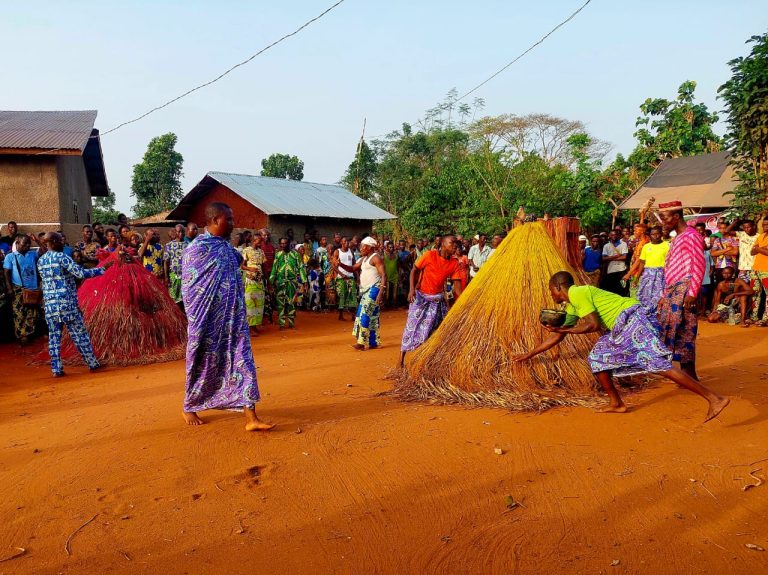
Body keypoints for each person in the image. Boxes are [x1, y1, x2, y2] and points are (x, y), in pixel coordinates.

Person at [511, 271, 728, 421]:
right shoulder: (573, 305)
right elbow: (558, 337)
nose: (551, 295)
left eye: (551, 291)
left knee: (657, 363)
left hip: (633, 318)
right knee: (598, 358)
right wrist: (529, 354)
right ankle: (617, 404)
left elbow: (593, 324)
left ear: (559, 287)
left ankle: (715, 398)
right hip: (620, 326)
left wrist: (564, 330)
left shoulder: (577, 292)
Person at [181, 203, 273, 431]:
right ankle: (189, 405)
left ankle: (251, 417)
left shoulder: (226, 248)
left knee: (243, 360)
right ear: (215, 221)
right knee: (202, 360)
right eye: (228, 219)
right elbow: (189, 288)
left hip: (233, 320)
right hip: (207, 321)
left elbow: (238, 263)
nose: (233, 224)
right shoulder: (196, 249)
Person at [37, 232, 112, 376]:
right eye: (60, 240)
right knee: (79, 333)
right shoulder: (62, 257)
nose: (62, 243)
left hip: (50, 305)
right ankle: (92, 363)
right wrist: (104, 268)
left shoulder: (41, 260)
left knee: (54, 337)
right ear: (52, 241)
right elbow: (81, 273)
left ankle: (56, 369)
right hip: (67, 303)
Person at [657, 201, 706, 381]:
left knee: (686, 331)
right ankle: (685, 374)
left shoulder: (691, 236)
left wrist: (692, 292)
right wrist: (664, 295)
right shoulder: (677, 237)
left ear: (676, 217)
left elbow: (699, 264)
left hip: (685, 289)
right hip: (673, 290)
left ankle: (689, 375)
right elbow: (670, 267)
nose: (662, 222)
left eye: (664, 218)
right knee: (673, 330)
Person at [399, 236, 462, 367]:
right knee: (411, 327)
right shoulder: (429, 255)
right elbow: (414, 270)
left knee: (435, 330)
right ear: (443, 244)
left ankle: (428, 360)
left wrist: (463, 302)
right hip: (421, 297)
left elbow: (457, 287)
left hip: (437, 301)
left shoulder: (454, 263)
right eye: (452, 243)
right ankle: (400, 360)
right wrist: (411, 290)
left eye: (456, 243)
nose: (455, 246)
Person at [3, 235, 40, 345]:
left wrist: (36, 240)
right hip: (18, 288)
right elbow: (6, 273)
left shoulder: (32, 254)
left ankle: (29, 333)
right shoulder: (10, 256)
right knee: (19, 313)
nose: (28, 246)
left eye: (29, 243)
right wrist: (9, 288)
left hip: (32, 288)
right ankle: (22, 335)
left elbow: (45, 251)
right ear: (17, 243)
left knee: (31, 313)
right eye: (25, 243)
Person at [351, 236, 386, 350]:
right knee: (373, 317)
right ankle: (373, 342)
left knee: (364, 314)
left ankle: (361, 342)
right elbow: (353, 268)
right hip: (366, 291)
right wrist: (338, 265)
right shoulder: (364, 259)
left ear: (370, 247)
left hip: (374, 289)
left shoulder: (375, 258)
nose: (361, 248)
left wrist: (381, 292)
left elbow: (384, 275)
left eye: (363, 246)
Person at [269, 237, 307, 329]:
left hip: (292, 282)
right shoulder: (278, 255)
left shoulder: (295, 254)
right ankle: (281, 323)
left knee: (291, 303)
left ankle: (291, 323)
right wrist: (271, 282)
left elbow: (301, 267)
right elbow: (274, 268)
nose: (283, 245)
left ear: (289, 243)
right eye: (281, 243)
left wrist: (304, 281)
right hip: (280, 282)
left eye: (285, 243)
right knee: (280, 303)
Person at [631, 226, 669, 309]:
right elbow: (642, 262)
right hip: (648, 274)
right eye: (652, 234)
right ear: (650, 235)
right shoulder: (646, 246)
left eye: (657, 234)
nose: (655, 236)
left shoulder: (668, 246)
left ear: (661, 234)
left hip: (662, 275)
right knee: (645, 295)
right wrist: (637, 278)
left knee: (659, 296)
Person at [241, 233, 266, 332]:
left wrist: (267, 279)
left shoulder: (261, 252)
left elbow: (264, 266)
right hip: (250, 280)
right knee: (250, 303)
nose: (261, 243)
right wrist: (250, 268)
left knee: (259, 304)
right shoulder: (246, 250)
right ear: (254, 240)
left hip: (259, 281)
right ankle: (251, 327)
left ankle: (255, 325)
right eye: (260, 241)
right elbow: (242, 266)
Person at [333, 237, 358, 321]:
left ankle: (353, 316)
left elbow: (354, 266)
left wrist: (357, 277)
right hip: (341, 278)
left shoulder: (351, 251)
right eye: (345, 241)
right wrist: (341, 274)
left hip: (351, 277)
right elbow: (334, 266)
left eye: (347, 241)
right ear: (341, 243)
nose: (347, 242)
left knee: (353, 295)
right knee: (342, 296)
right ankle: (340, 315)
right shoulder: (337, 252)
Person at [728, 217, 759, 285]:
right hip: (743, 268)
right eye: (744, 227)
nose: (746, 229)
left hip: (754, 267)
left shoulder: (759, 236)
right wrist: (735, 222)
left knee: (754, 288)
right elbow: (727, 231)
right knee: (741, 287)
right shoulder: (741, 234)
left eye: (748, 227)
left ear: (753, 227)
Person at [749, 216, 768, 326]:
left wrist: (759, 249)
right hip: (755, 268)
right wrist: (763, 248)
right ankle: (754, 317)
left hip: (766, 270)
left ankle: (766, 319)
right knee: (755, 293)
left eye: (767, 224)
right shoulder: (761, 236)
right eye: (764, 224)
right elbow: (752, 252)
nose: (765, 226)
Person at [163, 228, 186, 308]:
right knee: (173, 298)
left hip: (186, 276)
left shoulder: (188, 245)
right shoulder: (169, 245)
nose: (181, 233)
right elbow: (166, 262)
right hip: (173, 275)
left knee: (185, 299)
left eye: (183, 231)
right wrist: (166, 277)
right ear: (175, 232)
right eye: (179, 231)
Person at [601, 230, 628, 295]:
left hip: (621, 269)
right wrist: (617, 256)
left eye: (615, 234)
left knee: (621, 289)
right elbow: (604, 258)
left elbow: (624, 257)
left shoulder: (623, 244)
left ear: (618, 235)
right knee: (612, 289)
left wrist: (610, 258)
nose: (614, 236)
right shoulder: (606, 246)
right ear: (609, 236)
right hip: (611, 270)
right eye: (612, 235)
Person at [382, 241, 399, 309]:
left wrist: (399, 275)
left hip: (395, 276)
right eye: (390, 247)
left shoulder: (396, 256)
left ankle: (393, 306)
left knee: (395, 294)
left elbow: (398, 266)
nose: (391, 248)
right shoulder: (384, 255)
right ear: (387, 248)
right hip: (387, 276)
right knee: (387, 294)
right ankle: (386, 306)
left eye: (392, 247)